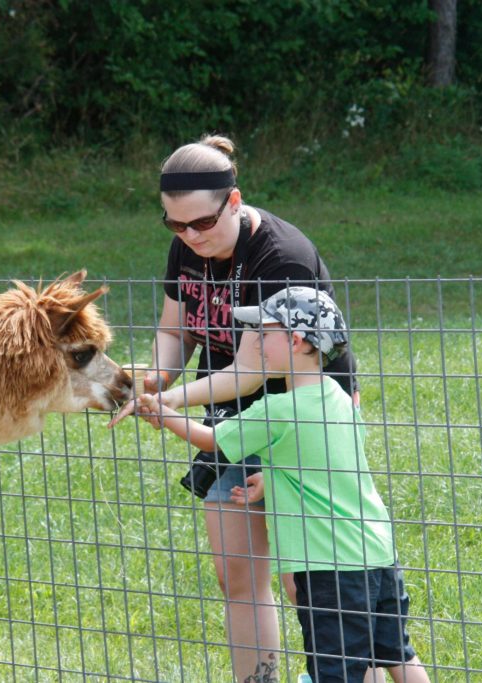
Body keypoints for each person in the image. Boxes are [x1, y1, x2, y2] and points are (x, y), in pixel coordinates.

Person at [109, 134, 358, 681]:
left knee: (307, 580)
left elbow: (252, 370)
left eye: (202, 223)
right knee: (237, 575)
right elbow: (175, 331)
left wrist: (170, 400)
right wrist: (151, 379)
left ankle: (336, 673)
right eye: (175, 225)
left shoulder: (281, 258)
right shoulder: (188, 249)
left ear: (235, 201)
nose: (190, 236)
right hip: (230, 422)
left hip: (298, 425)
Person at [131, 287, 431, 683]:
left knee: (335, 672)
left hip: (328, 567)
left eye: (261, 332)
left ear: (294, 340)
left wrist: (161, 411)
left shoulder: (277, 408)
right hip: (376, 553)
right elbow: (329, 465)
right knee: (396, 654)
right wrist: (271, 479)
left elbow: (211, 440)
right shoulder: (338, 398)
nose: (250, 341)